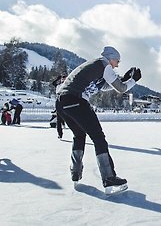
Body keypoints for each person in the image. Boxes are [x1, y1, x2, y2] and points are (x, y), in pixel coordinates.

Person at [56, 46, 141, 194]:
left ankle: (75, 172)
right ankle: (109, 178)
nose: (118, 65)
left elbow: (106, 86)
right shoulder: (104, 65)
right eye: (117, 61)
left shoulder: (97, 67)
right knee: (99, 138)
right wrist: (133, 80)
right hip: (76, 100)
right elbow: (120, 89)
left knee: (79, 135)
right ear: (111, 58)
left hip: (62, 102)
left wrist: (124, 79)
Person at [52, 75, 67, 139]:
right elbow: (53, 83)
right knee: (58, 119)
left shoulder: (68, 85)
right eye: (62, 79)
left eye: (64, 78)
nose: (63, 80)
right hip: (59, 101)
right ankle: (60, 134)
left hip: (66, 101)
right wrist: (58, 78)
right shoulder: (58, 85)